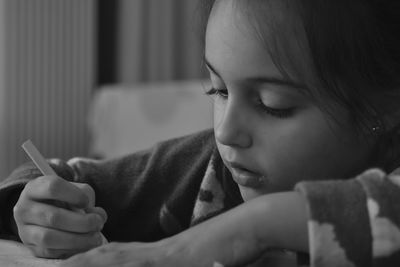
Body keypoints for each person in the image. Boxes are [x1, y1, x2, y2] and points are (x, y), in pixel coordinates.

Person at [1, 0, 400, 266]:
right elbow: (65, 175)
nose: (226, 132)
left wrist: (241, 231)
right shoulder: (204, 165)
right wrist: (36, 206)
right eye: (219, 90)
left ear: (386, 108)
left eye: (272, 104)